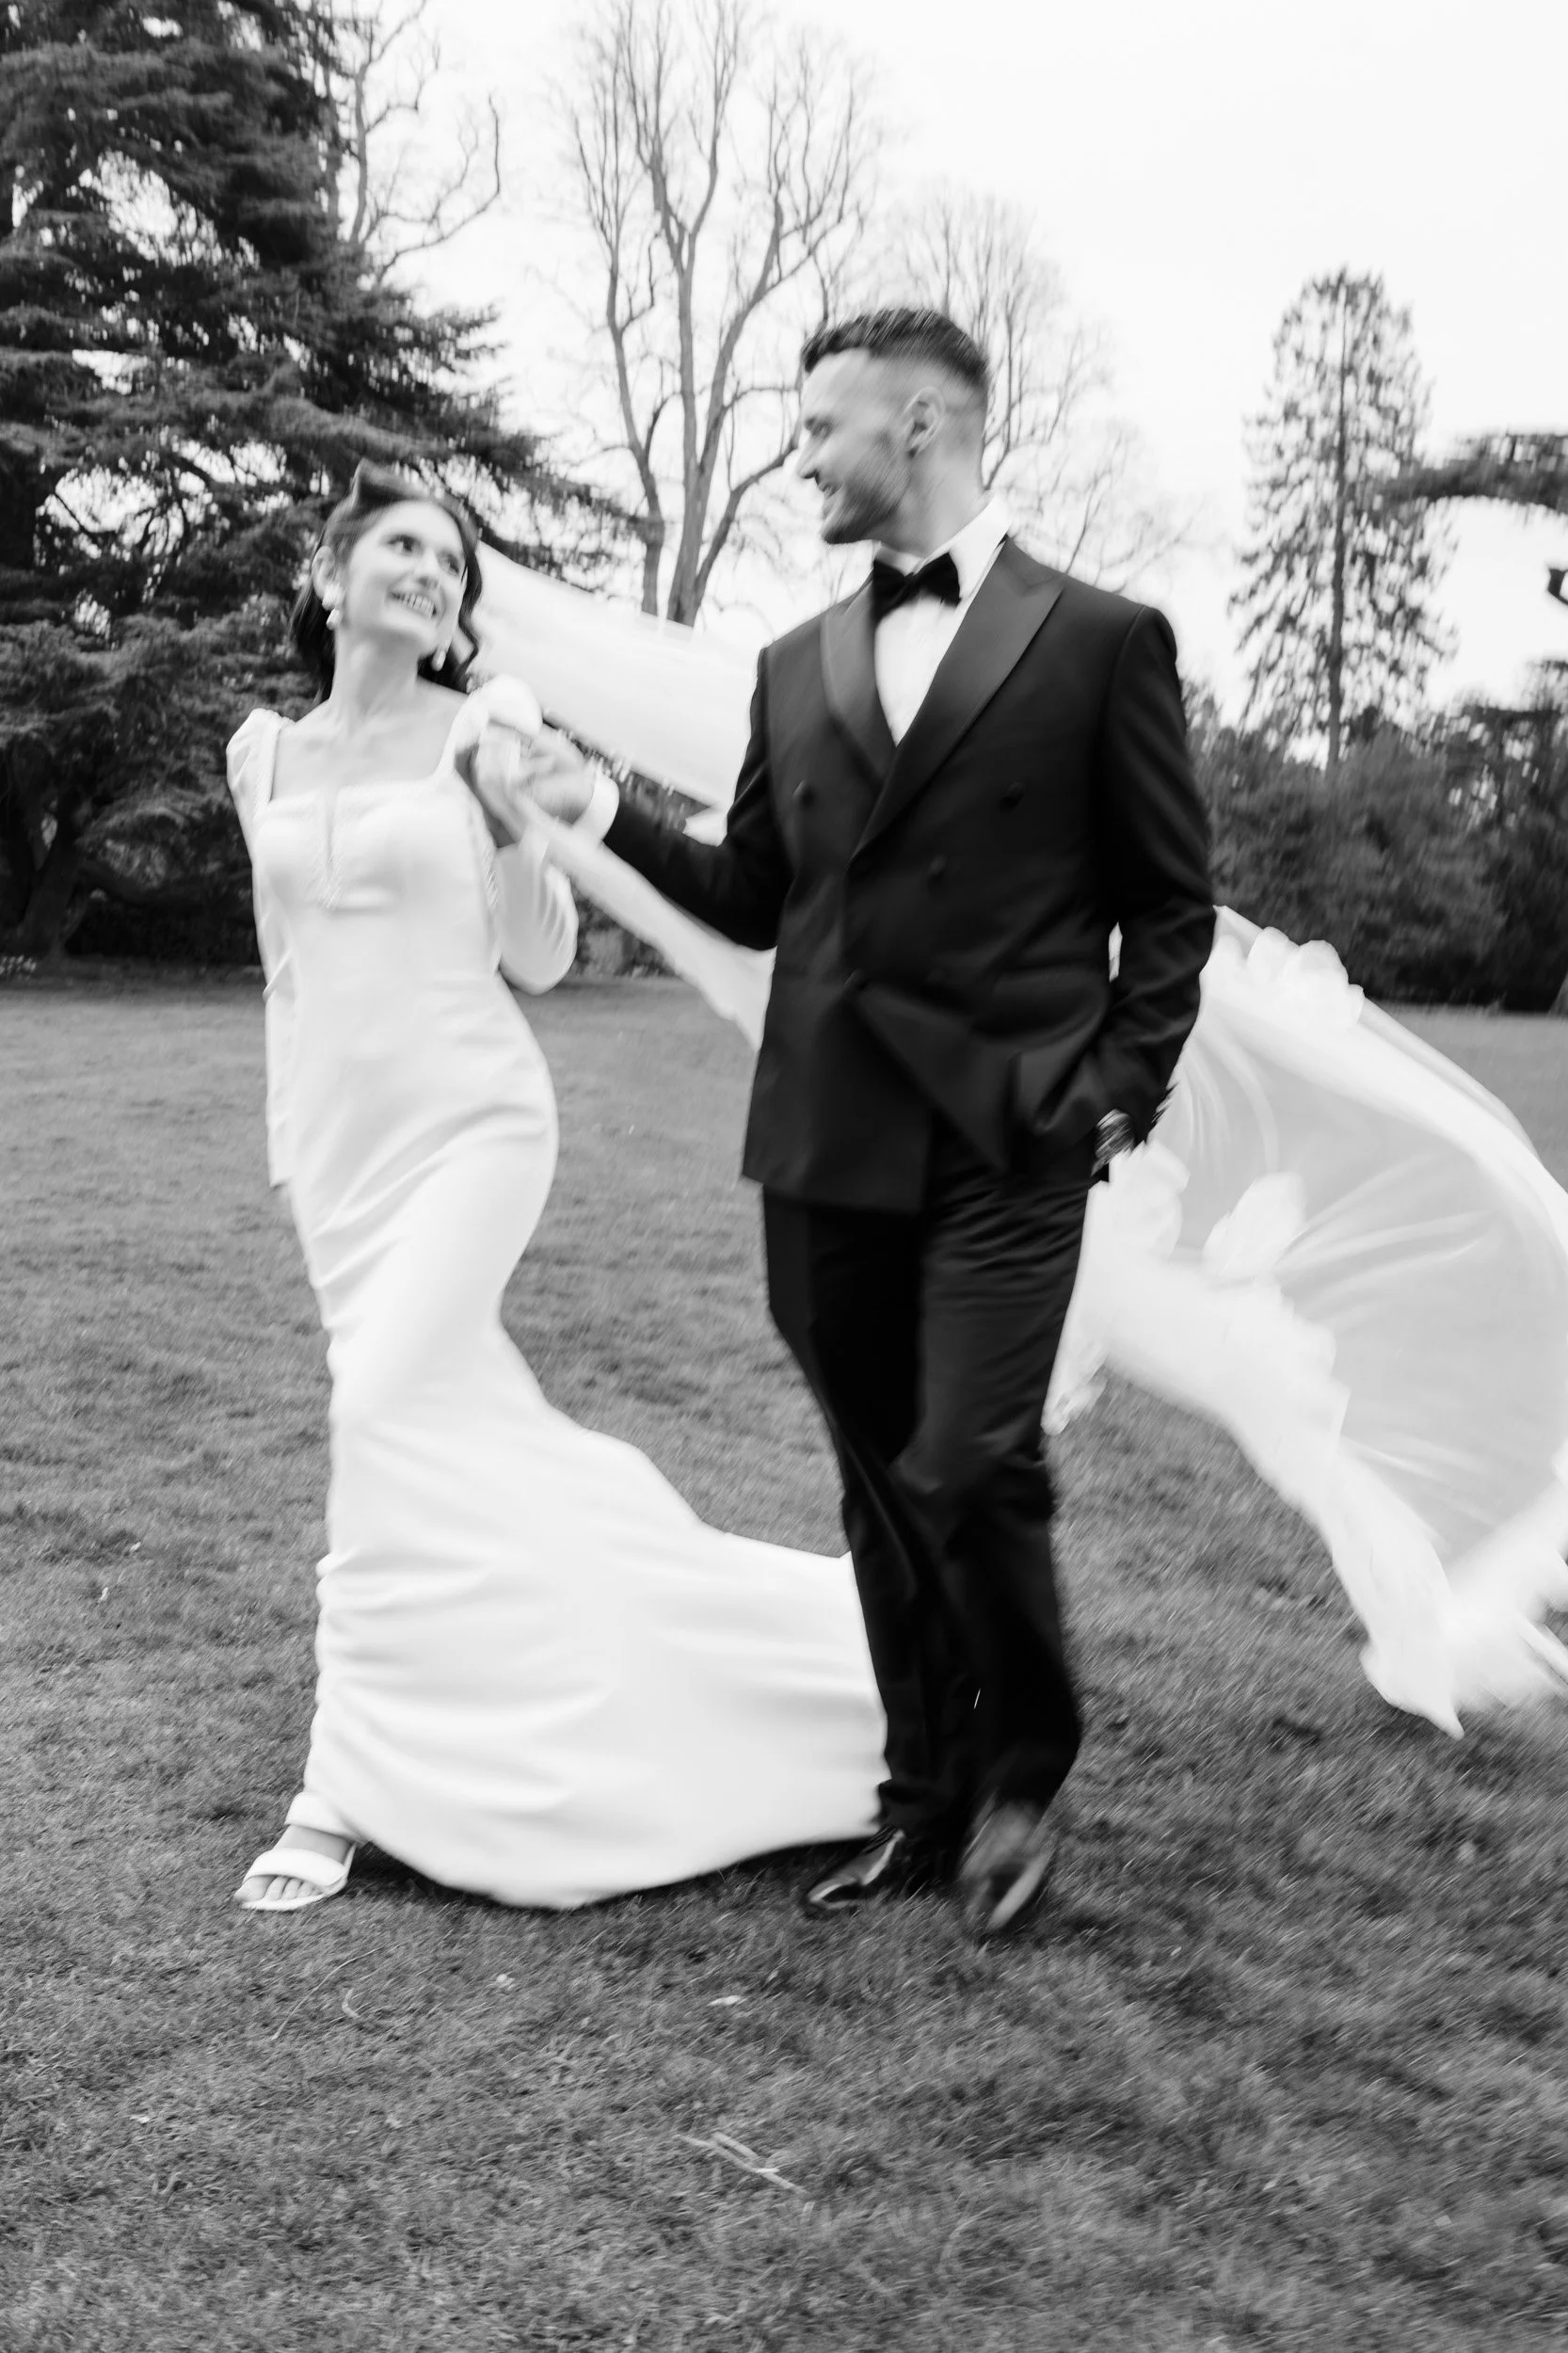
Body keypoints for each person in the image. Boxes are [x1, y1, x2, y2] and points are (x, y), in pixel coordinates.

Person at [524, 308, 1215, 1939]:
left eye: (819, 423)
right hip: (821, 1133)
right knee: (873, 1485)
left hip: (1009, 1135)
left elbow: (1170, 910)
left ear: (919, 425)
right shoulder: (791, 663)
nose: (800, 452)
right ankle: (921, 1796)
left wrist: (1110, 1098)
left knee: (969, 1454)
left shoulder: (1104, 640)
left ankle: (1024, 1770)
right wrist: (598, 806)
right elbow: (755, 896)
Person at [229, 461, 886, 1915]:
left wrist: (519, 827)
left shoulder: (490, 728)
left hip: (473, 1125)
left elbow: (537, 960)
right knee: (439, 1430)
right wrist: (297, 1141)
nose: (431, 575)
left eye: (452, 565)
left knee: (379, 1407)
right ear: (328, 578)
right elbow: (289, 969)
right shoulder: (257, 751)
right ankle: (790, 1651)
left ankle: (340, 1782)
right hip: (337, 1153)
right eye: (401, 547)